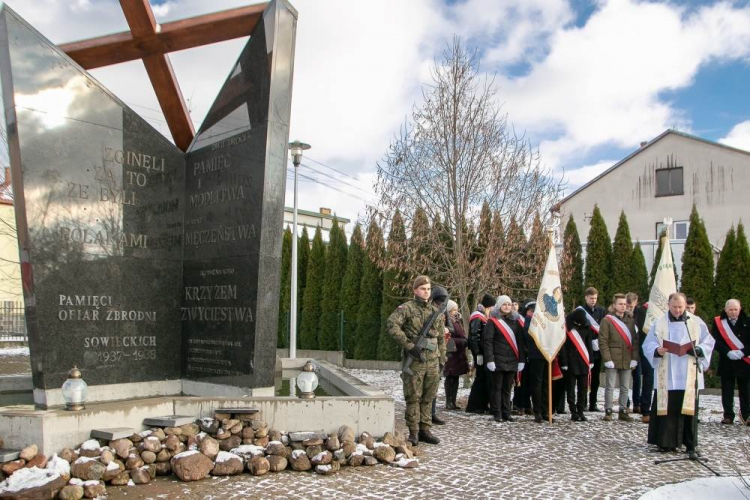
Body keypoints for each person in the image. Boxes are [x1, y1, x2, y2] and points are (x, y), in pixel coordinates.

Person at [644, 293, 715, 456]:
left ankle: (689, 443)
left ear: (685, 306)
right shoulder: (659, 323)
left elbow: (708, 341)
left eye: (680, 307)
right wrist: (656, 350)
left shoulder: (695, 322)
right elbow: (648, 343)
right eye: (674, 307)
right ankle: (666, 442)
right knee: (668, 407)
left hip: (688, 371)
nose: (677, 310)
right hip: (667, 372)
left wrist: (700, 349)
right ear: (668, 305)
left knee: (687, 409)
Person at [387, 276, 447, 446]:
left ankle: (425, 429)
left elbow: (442, 338)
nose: (426, 292)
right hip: (415, 359)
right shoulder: (407, 308)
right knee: (413, 396)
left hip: (433, 360)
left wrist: (442, 358)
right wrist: (408, 345)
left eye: (428, 289)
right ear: (415, 290)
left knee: (429, 396)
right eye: (422, 288)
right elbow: (392, 325)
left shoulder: (436, 312)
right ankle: (413, 431)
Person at [483, 295, 527, 422]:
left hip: (512, 359)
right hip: (497, 359)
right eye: (504, 304)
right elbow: (488, 341)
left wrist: (521, 360)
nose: (507, 307)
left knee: (507, 388)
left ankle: (506, 412)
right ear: (499, 306)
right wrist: (489, 359)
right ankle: (497, 412)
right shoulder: (492, 321)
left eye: (509, 304)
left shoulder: (516, 321)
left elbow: (520, 342)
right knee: (497, 387)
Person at [599, 293, 639, 422]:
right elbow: (603, 341)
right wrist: (607, 359)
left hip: (627, 357)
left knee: (625, 387)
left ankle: (623, 411)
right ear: (614, 305)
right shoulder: (607, 320)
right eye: (620, 304)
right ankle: (608, 411)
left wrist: (634, 358)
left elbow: (635, 341)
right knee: (610, 386)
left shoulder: (630, 321)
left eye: (625, 304)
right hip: (612, 356)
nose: (623, 306)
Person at [711, 299, 750, 425]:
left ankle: (746, 415)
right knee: (727, 390)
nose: (733, 312)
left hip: (744, 361)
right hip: (727, 360)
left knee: (746, 390)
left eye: (736, 310)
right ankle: (728, 415)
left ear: (740, 309)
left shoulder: (747, 321)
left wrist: (743, 352)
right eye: (731, 310)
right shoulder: (718, 322)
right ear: (725, 310)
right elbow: (715, 340)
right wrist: (727, 352)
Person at [559, 308, 594, 421]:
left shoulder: (586, 326)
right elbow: (563, 347)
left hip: (583, 360)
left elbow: (589, 344)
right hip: (570, 362)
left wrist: (591, 360)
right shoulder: (567, 327)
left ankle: (581, 410)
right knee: (570, 388)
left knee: (582, 388)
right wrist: (564, 362)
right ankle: (573, 410)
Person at [465, 294, 496, 414]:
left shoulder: (484, 316)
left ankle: (482, 404)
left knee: (483, 378)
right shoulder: (478, 317)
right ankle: (474, 405)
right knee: (480, 379)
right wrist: (478, 354)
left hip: (483, 352)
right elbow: (474, 337)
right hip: (480, 353)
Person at [444, 300, 469, 411]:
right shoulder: (446, 321)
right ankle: (449, 401)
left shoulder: (457, 320)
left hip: (458, 352)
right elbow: (446, 337)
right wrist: (461, 341)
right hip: (451, 353)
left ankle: (453, 401)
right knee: (450, 377)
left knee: (456, 377)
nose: (456, 311)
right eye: (453, 309)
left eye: (456, 309)